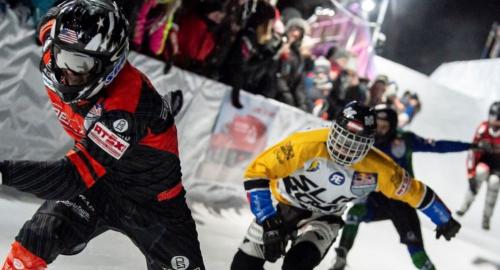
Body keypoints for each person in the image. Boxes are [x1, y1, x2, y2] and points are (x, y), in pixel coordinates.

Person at [0, 1, 205, 270]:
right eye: (63, 56)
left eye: (79, 63)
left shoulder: (126, 107)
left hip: (154, 203)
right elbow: (61, 19)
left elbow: (69, 178)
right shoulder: (55, 38)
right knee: (34, 241)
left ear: (112, 65)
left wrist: (4, 173)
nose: (66, 74)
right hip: (97, 183)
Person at [230, 101, 461, 270]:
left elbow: (415, 193)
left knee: (296, 266)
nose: (345, 150)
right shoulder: (303, 145)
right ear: (333, 129)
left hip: (324, 219)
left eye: (356, 144)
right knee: (243, 267)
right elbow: (257, 173)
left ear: (370, 144)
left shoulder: (380, 168)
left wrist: (445, 219)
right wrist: (268, 220)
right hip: (282, 208)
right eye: (342, 139)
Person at [330, 105, 476, 270]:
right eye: (378, 123)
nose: (381, 128)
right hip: (376, 199)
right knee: (354, 214)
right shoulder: (365, 139)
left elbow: (438, 146)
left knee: (418, 254)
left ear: (393, 125)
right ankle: (341, 255)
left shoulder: (405, 139)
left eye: (385, 124)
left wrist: (469, 146)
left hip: (404, 201)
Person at [456, 101, 500, 230]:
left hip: (498, 168)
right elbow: (472, 151)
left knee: (494, 182)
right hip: (484, 163)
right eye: (492, 116)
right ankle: (464, 208)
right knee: (479, 173)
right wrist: (470, 174)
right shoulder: (483, 128)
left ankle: (486, 219)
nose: (494, 121)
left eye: (497, 117)